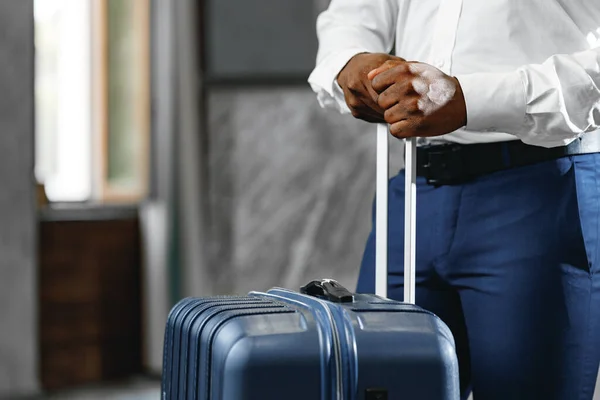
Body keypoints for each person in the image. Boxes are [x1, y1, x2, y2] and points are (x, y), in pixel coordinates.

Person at [308, 1, 600, 399]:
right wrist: (352, 63)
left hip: (541, 189)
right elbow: (353, 16)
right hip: (412, 194)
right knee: (382, 385)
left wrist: (470, 99)